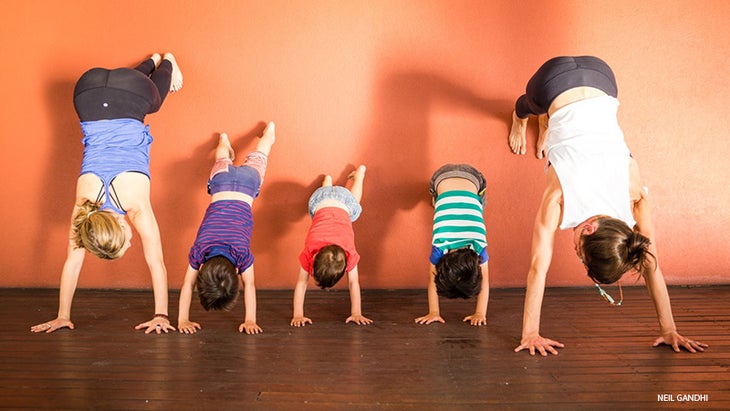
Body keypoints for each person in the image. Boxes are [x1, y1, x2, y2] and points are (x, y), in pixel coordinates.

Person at [508, 56, 708, 355]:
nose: (575, 251)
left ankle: (548, 124)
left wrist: (669, 330)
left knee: (561, 123)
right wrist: (530, 333)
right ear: (588, 228)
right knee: (530, 104)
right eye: (580, 252)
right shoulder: (559, 197)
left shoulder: (634, 199)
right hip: (552, 80)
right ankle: (521, 117)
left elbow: (652, 266)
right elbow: (539, 267)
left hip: (603, 77)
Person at [31, 53, 183, 334]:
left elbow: (156, 262)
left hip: (131, 93)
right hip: (87, 89)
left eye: (126, 242)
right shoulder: (83, 212)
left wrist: (162, 315)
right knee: (128, 87)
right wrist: (62, 314)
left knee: (156, 103)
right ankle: (149, 62)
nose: (131, 243)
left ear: (122, 226)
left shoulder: (136, 207)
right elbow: (72, 264)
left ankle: (166, 63)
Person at [177, 122, 275, 335]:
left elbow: (250, 285)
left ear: (237, 272)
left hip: (248, 184)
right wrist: (182, 319)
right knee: (221, 160)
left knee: (261, 154)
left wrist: (250, 320)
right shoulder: (200, 250)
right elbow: (187, 284)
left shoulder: (241, 254)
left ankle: (269, 134)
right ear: (203, 270)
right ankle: (224, 143)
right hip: (221, 181)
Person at [291, 165, 372, 327]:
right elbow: (353, 283)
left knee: (353, 207)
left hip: (336, 200)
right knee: (347, 209)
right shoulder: (312, 251)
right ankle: (338, 181)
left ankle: (348, 178)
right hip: (320, 201)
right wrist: (356, 313)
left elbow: (301, 283)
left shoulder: (347, 251)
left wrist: (299, 315)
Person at [415, 164, 490, 326]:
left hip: (472, 177)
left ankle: (448, 200)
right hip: (440, 178)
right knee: (438, 201)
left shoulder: (478, 246)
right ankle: (436, 200)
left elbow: (485, 282)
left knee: (480, 204)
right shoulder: (440, 245)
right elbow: (431, 280)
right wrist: (433, 312)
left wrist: (480, 313)